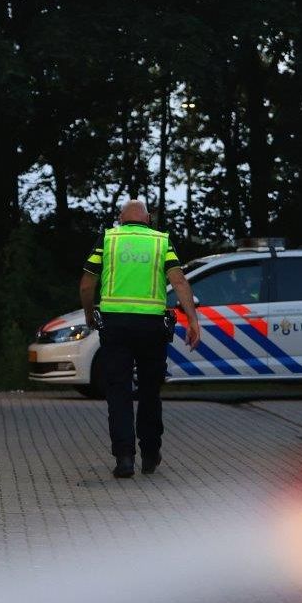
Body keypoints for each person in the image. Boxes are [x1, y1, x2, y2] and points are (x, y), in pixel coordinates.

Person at [79, 201, 200, 478]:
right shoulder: (161, 242)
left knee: (118, 391)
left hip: (115, 325)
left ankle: (124, 458)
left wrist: (89, 314)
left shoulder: (108, 238)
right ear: (148, 219)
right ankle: (149, 454)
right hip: (151, 327)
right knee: (149, 390)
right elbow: (179, 282)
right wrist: (193, 320)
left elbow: (87, 282)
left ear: (121, 219)